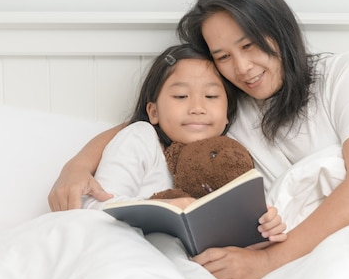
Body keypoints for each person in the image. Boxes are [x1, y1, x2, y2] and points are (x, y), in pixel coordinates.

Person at [48, 0, 349, 279]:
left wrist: (268, 263)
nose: (243, 68)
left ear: (278, 28)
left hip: (341, 239)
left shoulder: (342, 74)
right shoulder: (227, 100)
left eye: (249, 46)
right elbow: (149, 120)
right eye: (223, 56)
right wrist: (77, 166)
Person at [81, 44, 286, 245]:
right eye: (181, 96)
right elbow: (97, 208)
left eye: (211, 96)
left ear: (227, 116)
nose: (197, 108)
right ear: (153, 112)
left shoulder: (230, 157)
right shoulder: (140, 138)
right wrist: (164, 208)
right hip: (134, 253)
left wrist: (266, 227)